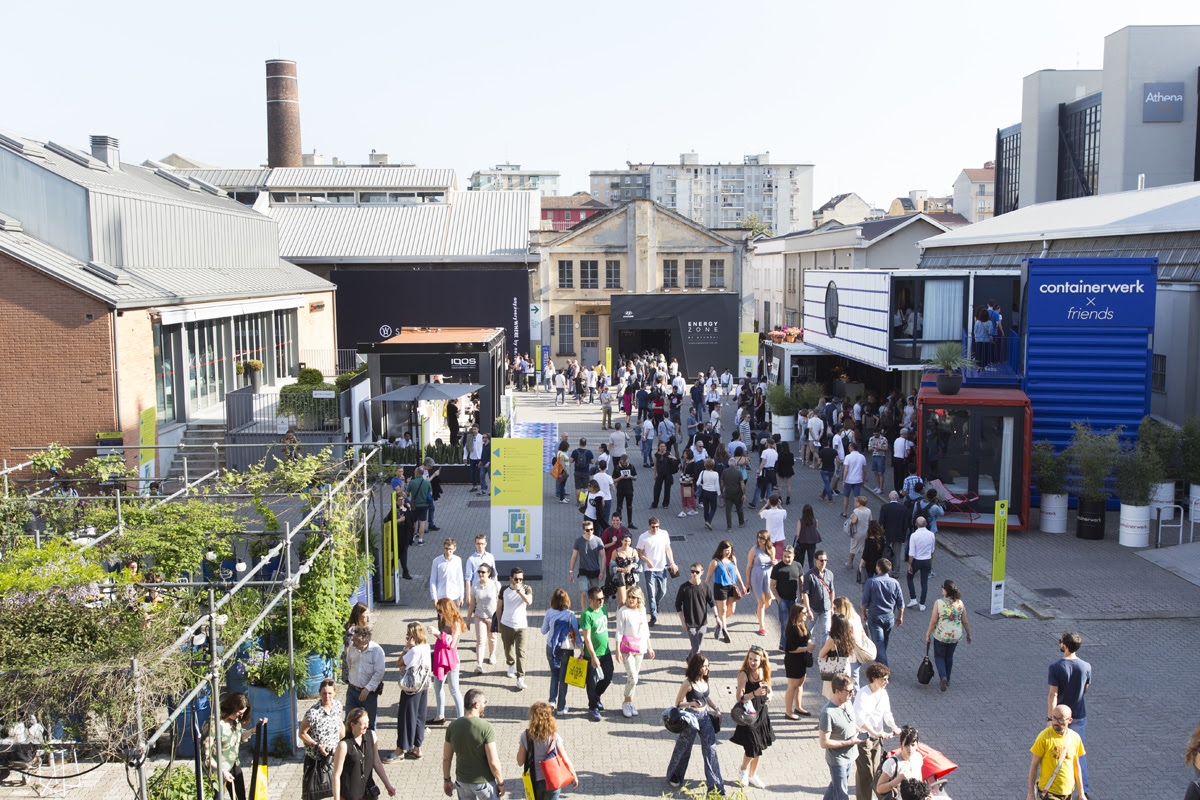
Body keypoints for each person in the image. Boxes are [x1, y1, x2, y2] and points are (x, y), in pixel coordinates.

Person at [666, 653, 725, 795]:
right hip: (691, 717)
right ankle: (675, 775)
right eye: (704, 666)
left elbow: (706, 697)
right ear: (697, 667)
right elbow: (678, 704)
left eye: (708, 666)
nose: (707, 669)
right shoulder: (687, 683)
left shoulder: (704, 680)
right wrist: (690, 704)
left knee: (710, 749)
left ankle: (715, 786)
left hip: (704, 716)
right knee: (684, 747)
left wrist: (716, 708)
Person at [1047, 631, 1092, 796]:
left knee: (1054, 750)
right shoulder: (1086, 666)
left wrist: (1051, 718)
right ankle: (1083, 790)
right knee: (1078, 754)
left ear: (1064, 646)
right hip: (1079, 715)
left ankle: (1055, 786)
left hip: (1060, 717)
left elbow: (1053, 694)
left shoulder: (1055, 667)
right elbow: (1085, 689)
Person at [202, 692, 266, 800]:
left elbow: (238, 737)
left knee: (240, 797)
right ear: (231, 708)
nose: (240, 716)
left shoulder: (235, 721)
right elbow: (206, 757)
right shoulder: (213, 725)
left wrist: (254, 730)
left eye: (243, 713)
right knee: (217, 797)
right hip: (216, 771)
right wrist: (222, 772)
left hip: (233, 765)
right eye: (239, 713)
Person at [443, 689, 505, 799]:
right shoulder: (486, 728)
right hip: (484, 782)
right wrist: (500, 783)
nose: (485, 706)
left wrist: (447, 780)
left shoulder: (452, 726)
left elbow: (446, 759)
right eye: (484, 702)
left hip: (462, 783)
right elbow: (493, 761)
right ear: (476, 704)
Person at [731, 645, 776, 789]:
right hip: (749, 715)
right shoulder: (744, 674)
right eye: (750, 659)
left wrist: (769, 695)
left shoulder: (764, 670)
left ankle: (753, 775)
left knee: (760, 745)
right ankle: (743, 770)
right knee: (753, 746)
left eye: (755, 660)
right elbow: (739, 697)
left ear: (761, 660)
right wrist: (755, 693)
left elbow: (769, 687)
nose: (752, 662)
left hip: (761, 712)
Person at [853, 662, 900, 800]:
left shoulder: (883, 694)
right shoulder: (863, 694)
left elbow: (887, 714)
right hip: (864, 738)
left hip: (877, 739)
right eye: (884, 679)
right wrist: (874, 733)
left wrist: (894, 727)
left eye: (887, 679)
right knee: (866, 773)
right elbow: (859, 719)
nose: (887, 682)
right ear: (874, 678)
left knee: (876, 771)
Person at [386, 622, 431, 762]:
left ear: (413, 636)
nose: (406, 637)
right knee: (419, 716)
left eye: (408, 634)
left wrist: (406, 648)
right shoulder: (426, 646)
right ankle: (417, 747)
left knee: (406, 717)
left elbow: (399, 662)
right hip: (423, 686)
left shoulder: (414, 650)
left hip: (411, 688)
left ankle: (401, 749)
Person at [517, 702, 578, 800]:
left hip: (535, 781)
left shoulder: (526, 736)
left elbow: (520, 762)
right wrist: (573, 775)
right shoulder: (554, 737)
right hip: (553, 779)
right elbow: (565, 759)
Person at [332, 708, 395, 800]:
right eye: (363, 724)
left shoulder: (372, 736)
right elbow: (336, 775)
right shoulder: (344, 745)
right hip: (350, 795)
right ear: (352, 725)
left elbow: (377, 762)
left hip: (368, 793)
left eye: (367, 722)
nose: (367, 726)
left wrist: (388, 785)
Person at [1026, 705, 1087, 800]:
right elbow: (1034, 765)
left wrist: (1081, 793)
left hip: (1068, 792)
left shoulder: (1075, 738)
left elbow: (1076, 766)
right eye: (1054, 718)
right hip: (1049, 793)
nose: (1055, 722)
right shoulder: (1044, 737)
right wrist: (1030, 794)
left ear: (1070, 720)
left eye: (1060, 720)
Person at [924, 579, 971, 692]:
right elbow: (965, 621)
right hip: (955, 635)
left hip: (941, 634)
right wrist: (969, 634)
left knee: (939, 656)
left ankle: (943, 676)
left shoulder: (939, 603)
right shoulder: (960, 603)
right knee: (949, 656)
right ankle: (948, 679)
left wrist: (928, 633)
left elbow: (933, 620)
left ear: (945, 590)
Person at [300, 679, 344, 796]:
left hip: (334, 756)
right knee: (313, 793)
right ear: (319, 693)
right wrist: (317, 745)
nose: (327, 696)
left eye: (329, 693)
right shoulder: (313, 713)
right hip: (316, 760)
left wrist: (345, 743)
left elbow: (340, 724)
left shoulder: (338, 706)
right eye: (324, 693)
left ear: (335, 692)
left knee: (337, 788)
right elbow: (302, 733)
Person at [615, 585, 654, 717]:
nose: (631, 599)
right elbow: (619, 631)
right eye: (629, 597)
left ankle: (630, 702)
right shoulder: (623, 611)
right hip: (627, 649)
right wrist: (617, 650)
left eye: (634, 597)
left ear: (638, 599)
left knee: (635, 677)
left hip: (640, 648)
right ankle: (625, 701)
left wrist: (649, 647)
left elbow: (645, 630)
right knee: (633, 678)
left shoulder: (641, 610)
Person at [818, 674, 858, 800]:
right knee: (842, 794)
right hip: (838, 760)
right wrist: (849, 742)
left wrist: (860, 730)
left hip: (850, 755)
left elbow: (851, 723)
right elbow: (824, 743)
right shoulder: (827, 713)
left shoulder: (847, 703)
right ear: (837, 691)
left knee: (835, 786)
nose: (852, 694)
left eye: (853, 690)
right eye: (849, 691)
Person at [541, 588, 580, 715]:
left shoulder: (549, 612)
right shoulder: (570, 615)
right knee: (564, 678)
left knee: (554, 675)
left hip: (551, 647)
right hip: (566, 649)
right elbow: (576, 634)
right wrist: (581, 649)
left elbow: (543, 630)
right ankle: (561, 707)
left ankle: (552, 701)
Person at [861, 559, 905, 667]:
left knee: (879, 643)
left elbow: (864, 602)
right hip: (890, 616)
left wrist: (863, 613)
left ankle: (884, 668)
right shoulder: (895, 583)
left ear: (878, 568)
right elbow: (901, 603)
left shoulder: (871, 582)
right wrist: (900, 617)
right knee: (883, 642)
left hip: (875, 617)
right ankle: (879, 665)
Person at [636, 517, 678, 626]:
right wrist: (647, 561)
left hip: (662, 568)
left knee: (662, 591)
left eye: (657, 527)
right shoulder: (643, 537)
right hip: (649, 570)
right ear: (649, 526)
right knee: (651, 593)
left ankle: (657, 601)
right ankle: (653, 616)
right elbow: (640, 553)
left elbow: (668, 548)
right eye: (653, 527)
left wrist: (672, 562)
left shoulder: (664, 534)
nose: (655, 529)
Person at [580, 587, 613, 723]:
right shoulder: (587, 615)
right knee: (592, 682)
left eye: (603, 598)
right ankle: (593, 707)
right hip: (593, 655)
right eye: (598, 599)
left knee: (608, 677)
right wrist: (593, 656)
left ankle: (596, 696)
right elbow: (587, 638)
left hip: (606, 651)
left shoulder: (604, 609)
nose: (601, 601)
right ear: (591, 600)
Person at [431, 597, 466, 725]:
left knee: (454, 689)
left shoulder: (455, 623)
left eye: (440, 611)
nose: (439, 613)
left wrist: (437, 634)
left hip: (451, 660)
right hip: (442, 659)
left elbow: (452, 643)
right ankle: (440, 715)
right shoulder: (443, 620)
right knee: (437, 687)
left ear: (447, 609)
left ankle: (461, 719)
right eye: (438, 611)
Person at [498, 567, 533, 691]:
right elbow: (499, 607)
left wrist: (520, 591)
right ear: (511, 578)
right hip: (506, 624)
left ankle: (520, 678)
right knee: (507, 649)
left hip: (521, 626)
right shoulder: (504, 589)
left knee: (521, 652)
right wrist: (499, 623)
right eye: (516, 579)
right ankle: (511, 664)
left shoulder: (526, 589)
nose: (518, 581)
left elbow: (529, 601)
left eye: (521, 579)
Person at [345, 625, 386, 729]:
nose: (352, 641)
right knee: (349, 722)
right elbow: (350, 664)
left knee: (369, 724)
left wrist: (368, 688)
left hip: (369, 694)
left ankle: (369, 740)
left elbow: (379, 672)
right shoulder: (352, 647)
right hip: (352, 691)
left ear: (364, 642)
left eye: (355, 639)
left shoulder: (377, 651)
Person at [705, 540, 746, 644]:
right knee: (722, 610)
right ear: (721, 550)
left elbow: (736, 571)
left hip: (732, 587)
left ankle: (719, 623)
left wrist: (742, 585)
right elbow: (708, 577)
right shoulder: (715, 562)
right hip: (720, 587)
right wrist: (704, 589)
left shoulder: (733, 559)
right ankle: (725, 631)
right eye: (726, 550)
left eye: (730, 550)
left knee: (731, 610)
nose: (728, 552)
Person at [782, 603, 816, 719]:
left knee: (800, 684)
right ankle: (788, 712)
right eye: (804, 613)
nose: (806, 614)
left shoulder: (802, 624)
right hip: (793, 661)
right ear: (797, 614)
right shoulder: (791, 628)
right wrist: (807, 648)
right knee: (792, 686)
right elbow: (790, 649)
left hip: (802, 659)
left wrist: (810, 642)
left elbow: (808, 635)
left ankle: (798, 707)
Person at [675, 562, 716, 657]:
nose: (694, 574)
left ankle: (689, 659)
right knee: (697, 650)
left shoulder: (705, 586)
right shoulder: (684, 588)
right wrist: (683, 622)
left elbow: (711, 602)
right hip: (690, 624)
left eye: (697, 572)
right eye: (692, 571)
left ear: (702, 572)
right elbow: (678, 605)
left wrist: (717, 617)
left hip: (702, 623)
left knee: (697, 647)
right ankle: (694, 665)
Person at [875, 726, 925, 800]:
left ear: (917, 745)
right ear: (901, 745)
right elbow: (879, 788)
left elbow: (920, 780)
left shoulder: (918, 758)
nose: (910, 749)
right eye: (906, 745)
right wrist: (898, 780)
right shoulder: (892, 763)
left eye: (913, 745)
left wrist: (925, 794)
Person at [769, 545, 803, 652]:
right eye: (784, 556)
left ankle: (793, 644)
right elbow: (772, 585)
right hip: (783, 600)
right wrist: (779, 599)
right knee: (784, 624)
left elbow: (801, 582)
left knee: (796, 623)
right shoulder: (777, 568)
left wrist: (802, 597)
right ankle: (783, 646)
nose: (786, 559)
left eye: (789, 557)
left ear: (793, 556)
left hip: (794, 600)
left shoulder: (798, 566)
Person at [817, 614, 857, 701]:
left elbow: (821, 654)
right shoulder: (849, 637)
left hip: (833, 669)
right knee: (845, 693)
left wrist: (826, 655)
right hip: (845, 668)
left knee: (834, 696)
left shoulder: (832, 641)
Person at [569, 520, 607, 611]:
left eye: (591, 529)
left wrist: (602, 571)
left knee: (595, 594)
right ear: (583, 530)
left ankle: (594, 610)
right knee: (583, 593)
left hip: (595, 571)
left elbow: (603, 556)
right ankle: (584, 612)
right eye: (587, 530)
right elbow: (574, 556)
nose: (590, 532)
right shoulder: (579, 541)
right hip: (583, 570)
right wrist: (571, 571)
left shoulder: (598, 540)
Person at [802, 550, 836, 649]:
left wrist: (832, 606)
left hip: (826, 608)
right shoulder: (809, 575)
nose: (823, 562)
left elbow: (832, 591)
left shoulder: (830, 574)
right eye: (821, 560)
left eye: (825, 560)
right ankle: (804, 649)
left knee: (826, 631)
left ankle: (823, 653)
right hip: (813, 608)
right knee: (807, 630)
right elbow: (805, 593)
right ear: (815, 560)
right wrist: (808, 610)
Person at [745, 530, 776, 637]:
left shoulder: (772, 549)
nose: (760, 540)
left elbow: (773, 562)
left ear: (767, 540)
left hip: (768, 578)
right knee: (761, 602)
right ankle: (762, 627)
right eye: (758, 537)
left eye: (762, 538)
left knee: (768, 602)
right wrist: (748, 582)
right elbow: (749, 566)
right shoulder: (754, 550)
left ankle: (758, 612)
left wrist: (775, 563)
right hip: (756, 578)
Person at [906, 518, 936, 610]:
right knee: (924, 582)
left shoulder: (914, 535)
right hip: (927, 560)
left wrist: (909, 564)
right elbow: (932, 549)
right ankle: (922, 604)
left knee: (909, 577)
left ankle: (913, 598)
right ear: (926, 523)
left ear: (916, 524)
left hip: (917, 560)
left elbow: (911, 552)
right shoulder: (931, 534)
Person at [430, 539, 466, 608]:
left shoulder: (458, 560)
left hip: (454, 596)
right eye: (446, 549)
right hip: (441, 596)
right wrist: (434, 597)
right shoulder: (437, 561)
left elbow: (460, 579)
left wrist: (461, 596)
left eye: (450, 549)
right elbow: (433, 580)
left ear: (454, 548)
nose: (448, 551)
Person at [609, 531, 641, 608]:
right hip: (620, 577)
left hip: (631, 577)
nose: (627, 543)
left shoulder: (634, 551)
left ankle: (630, 613)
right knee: (622, 600)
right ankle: (620, 613)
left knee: (631, 599)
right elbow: (612, 567)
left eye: (629, 541)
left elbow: (638, 565)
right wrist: (621, 569)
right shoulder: (616, 552)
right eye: (625, 541)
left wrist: (631, 566)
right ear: (621, 541)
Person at [878, 491, 910, 569]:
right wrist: (904, 536)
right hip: (898, 535)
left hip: (887, 534)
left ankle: (885, 569)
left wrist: (879, 533)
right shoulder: (904, 508)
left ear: (889, 498)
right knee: (897, 554)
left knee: (885, 552)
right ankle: (896, 571)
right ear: (898, 498)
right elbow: (905, 524)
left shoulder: (885, 507)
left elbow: (881, 521)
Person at [407, 467, 434, 546]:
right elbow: (430, 494)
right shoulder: (427, 482)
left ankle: (411, 538)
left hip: (414, 505)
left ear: (416, 473)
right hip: (424, 505)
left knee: (413, 522)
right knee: (422, 522)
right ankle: (420, 540)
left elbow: (407, 494)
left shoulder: (412, 482)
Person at [846, 496, 871, 576]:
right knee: (864, 547)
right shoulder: (868, 510)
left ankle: (850, 563)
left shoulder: (856, 511)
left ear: (859, 503)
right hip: (866, 532)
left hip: (857, 532)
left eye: (856, 501)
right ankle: (863, 563)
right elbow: (871, 520)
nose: (855, 502)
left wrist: (850, 521)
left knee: (853, 547)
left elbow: (853, 521)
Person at [720, 454, 747, 530]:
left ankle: (729, 527)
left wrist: (722, 492)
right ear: (735, 464)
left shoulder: (725, 472)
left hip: (728, 493)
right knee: (739, 508)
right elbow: (742, 485)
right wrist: (744, 494)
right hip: (737, 493)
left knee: (728, 510)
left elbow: (722, 483)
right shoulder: (739, 473)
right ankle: (741, 523)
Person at [759, 494, 788, 561]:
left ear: (769, 502)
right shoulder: (782, 512)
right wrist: (780, 505)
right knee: (779, 558)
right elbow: (785, 515)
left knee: (769, 557)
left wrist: (766, 504)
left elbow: (759, 513)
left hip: (769, 538)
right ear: (778, 502)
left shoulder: (767, 512)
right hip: (780, 538)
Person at [841, 443, 867, 517]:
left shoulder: (848, 457)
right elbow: (864, 470)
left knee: (846, 496)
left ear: (852, 447)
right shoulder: (862, 457)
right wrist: (863, 479)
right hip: (858, 480)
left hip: (849, 480)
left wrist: (843, 481)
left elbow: (846, 470)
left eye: (849, 447)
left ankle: (844, 513)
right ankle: (855, 514)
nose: (848, 448)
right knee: (856, 498)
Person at [651, 441, 678, 509]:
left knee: (667, 489)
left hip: (668, 473)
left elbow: (675, 459)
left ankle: (665, 503)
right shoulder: (656, 455)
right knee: (657, 489)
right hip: (660, 474)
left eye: (664, 446)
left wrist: (673, 457)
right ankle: (655, 503)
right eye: (661, 446)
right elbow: (655, 465)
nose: (663, 448)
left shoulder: (668, 453)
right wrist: (654, 474)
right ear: (658, 447)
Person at [612, 454, 637, 526]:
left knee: (629, 507)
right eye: (623, 462)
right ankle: (618, 523)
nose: (624, 464)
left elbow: (635, 477)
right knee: (619, 507)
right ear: (620, 461)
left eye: (625, 462)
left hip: (629, 490)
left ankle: (630, 522)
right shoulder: (617, 468)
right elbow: (613, 480)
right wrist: (620, 478)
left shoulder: (631, 466)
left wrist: (630, 476)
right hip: (620, 490)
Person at [817, 435, 838, 504]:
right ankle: (823, 495)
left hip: (824, 469)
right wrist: (838, 467)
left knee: (827, 484)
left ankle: (830, 499)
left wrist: (817, 467)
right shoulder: (834, 451)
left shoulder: (821, 452)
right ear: (828, 443)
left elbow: (819, 462)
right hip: (831, 469)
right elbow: (838, 460)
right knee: (827, 483)